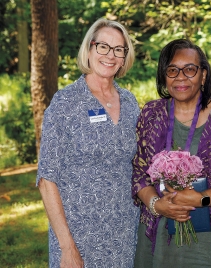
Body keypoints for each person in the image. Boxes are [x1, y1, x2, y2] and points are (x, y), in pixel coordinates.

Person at [131, 38, 211, 267]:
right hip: (159, 237)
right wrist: (157, 204)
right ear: (164, 75)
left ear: (203, 75)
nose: (180, 77)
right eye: (172, 70)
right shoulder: (151, 114)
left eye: (189, 69)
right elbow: (139, 171)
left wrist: (201, 198)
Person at [36, 18, 140, 267]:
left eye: (118, 49)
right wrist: (66, 246)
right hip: (77, 236)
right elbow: (47, 179)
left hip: (125, 233)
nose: (110, 55)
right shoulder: (65, 104)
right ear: (90, 49)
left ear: (125, 57)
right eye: (103, 46)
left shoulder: (130, 103)